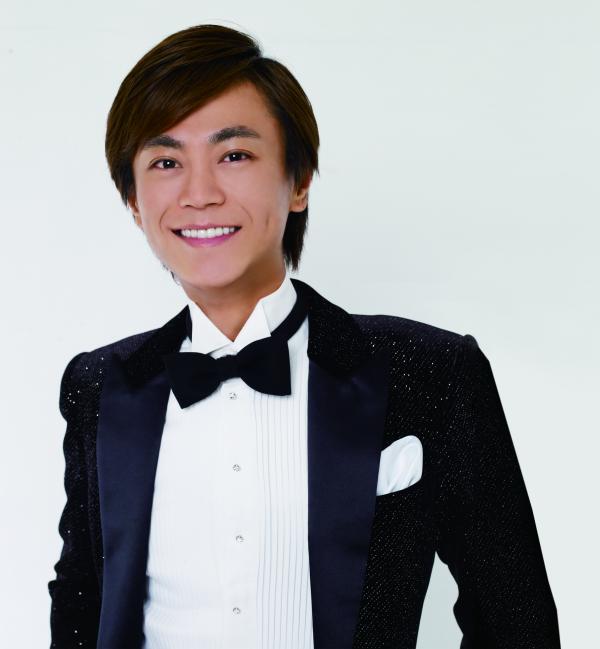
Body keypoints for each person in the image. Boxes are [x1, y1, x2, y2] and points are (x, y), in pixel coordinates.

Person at [47, 24, 561, 649]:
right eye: (166, 163)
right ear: (133, 200)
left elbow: (517, 620)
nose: (200, 194)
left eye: (234, 155)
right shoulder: (99, 385)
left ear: (299, 180)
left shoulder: (431, 371)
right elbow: (79, 611)